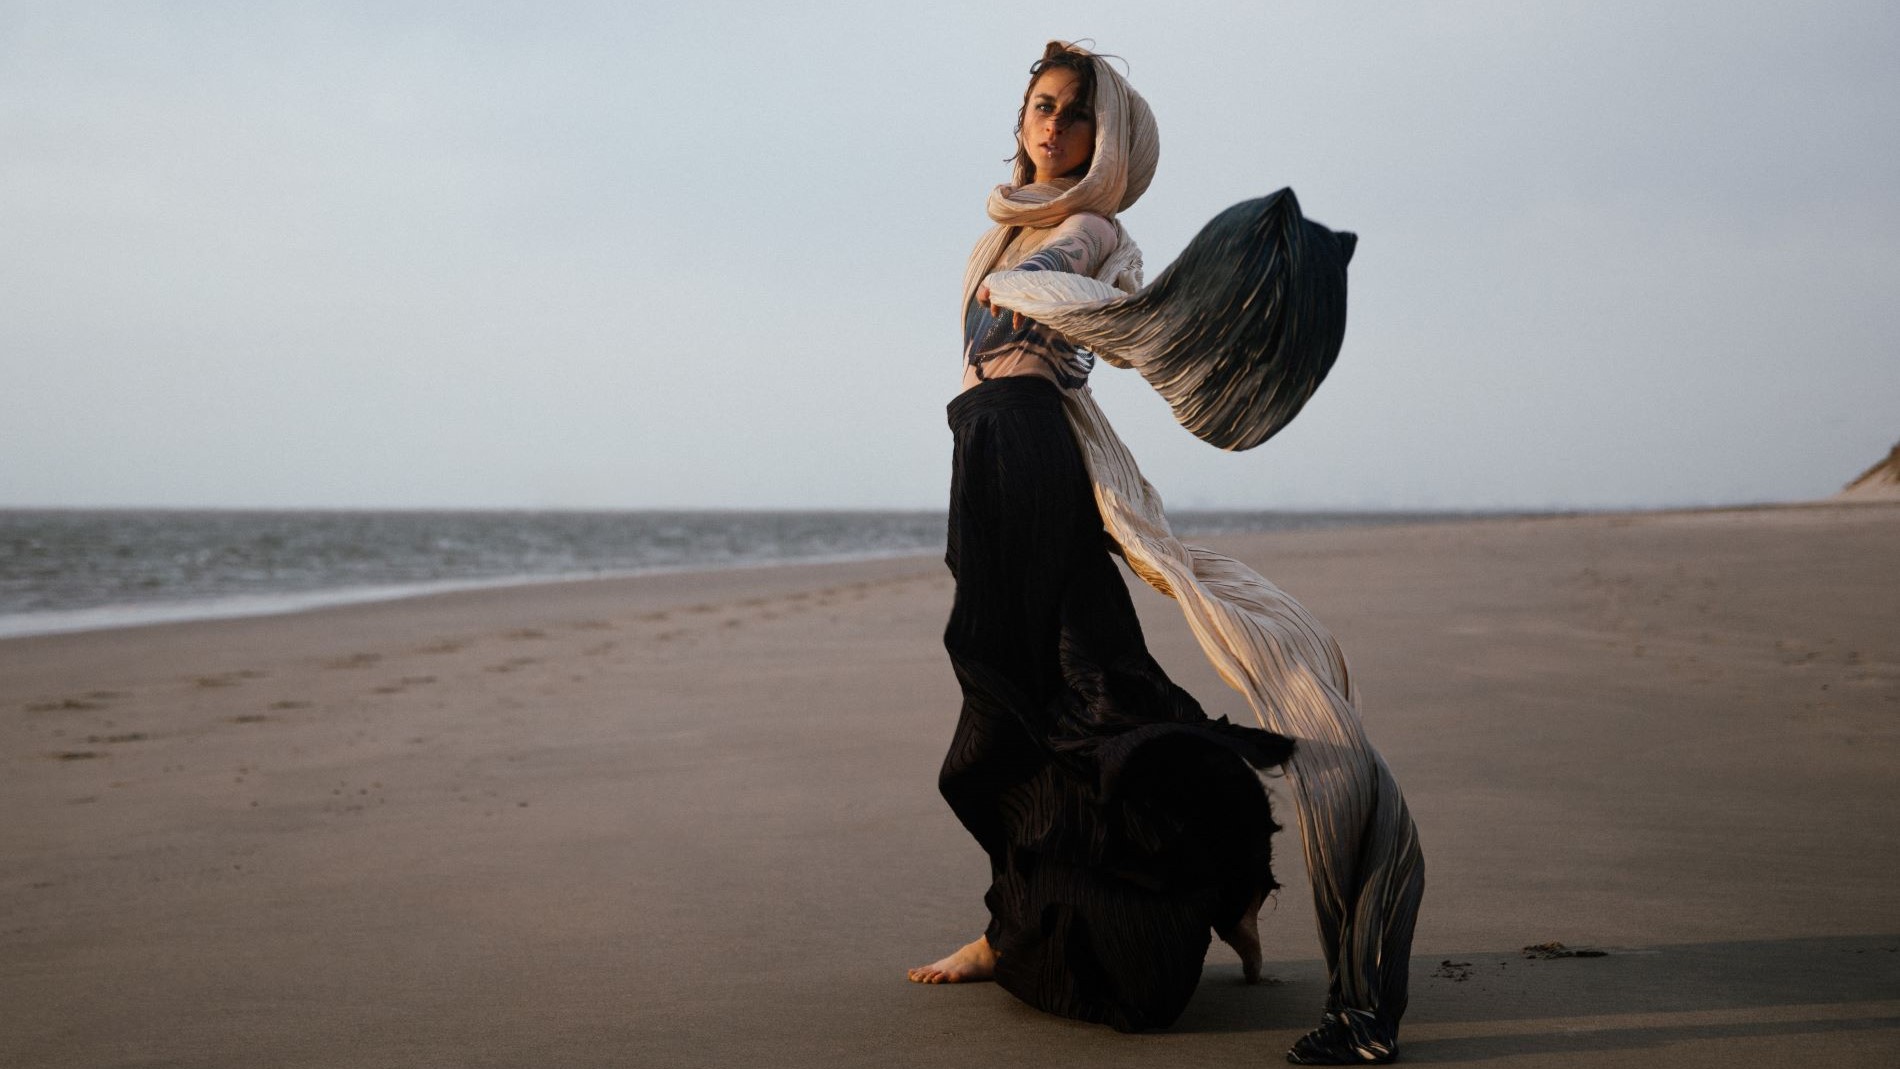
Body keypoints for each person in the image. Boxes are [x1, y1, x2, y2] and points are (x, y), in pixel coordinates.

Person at [907, 41, 1425, 1066]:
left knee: (1023, 703)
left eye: (1076, 114)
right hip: (995, 449)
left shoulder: (1084, 231)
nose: (1052, 125)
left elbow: (1053, 297)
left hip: (1020, 449)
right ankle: (1211, 882)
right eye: (1041, 106)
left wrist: (1038, 286)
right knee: (1087, 680)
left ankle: (1049, 923)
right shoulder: (1009, 232)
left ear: (1110, 141)